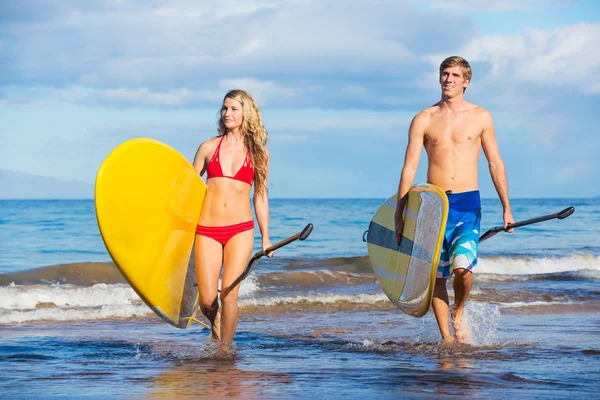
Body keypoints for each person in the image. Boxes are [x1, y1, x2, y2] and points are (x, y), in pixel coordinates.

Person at [394, 56, 514, 344]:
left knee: (463, 270)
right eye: (444, 74)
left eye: (454, 75)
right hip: (432, 205)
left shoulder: (481, 116)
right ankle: (447, 337)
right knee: (436, 275)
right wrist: (399, 214)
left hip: (466, 204)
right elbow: (409, 167)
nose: (448, 79)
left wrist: (507, 208)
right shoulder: (424, 118)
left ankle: (458, 310)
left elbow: (495, 163)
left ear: (466, 82)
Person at [192, 89, 272, 354]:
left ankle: (224, 350)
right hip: (206, 229)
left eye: (234, 109)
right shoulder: (207, 148)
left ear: (245, 113)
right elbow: (189, 191)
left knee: (229, 293)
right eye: (225, 108)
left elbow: (260, 197)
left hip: (240, 230)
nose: (227, 113)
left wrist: (266, 237)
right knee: (206, 300)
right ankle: (215, 327)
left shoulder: (259, 154)